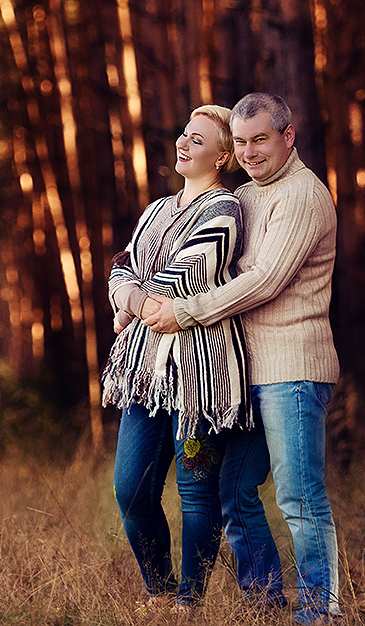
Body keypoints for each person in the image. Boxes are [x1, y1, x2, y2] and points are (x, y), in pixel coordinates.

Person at [143, 92, 342, 623]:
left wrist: (186, 312)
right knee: (233, 491)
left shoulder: (301, 194)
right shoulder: (248, 196)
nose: (251, 152)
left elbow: (267, 280)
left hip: (293, 370)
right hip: (248, 374)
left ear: (288, 135)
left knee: (299, 500)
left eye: (261, 139)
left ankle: (320, 613)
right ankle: (265, 603)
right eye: (241, 143)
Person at [101, 104, 251, 611]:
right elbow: (120, 267)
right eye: (184, 134)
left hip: (200, 378)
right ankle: (159, 594)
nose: (183, 144)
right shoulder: (158, 209)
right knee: (131, 491)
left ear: (223, 156)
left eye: (199, 140)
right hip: (143, 372)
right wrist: (135, 297)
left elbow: (190, 276)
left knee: (196, 489)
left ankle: (189, 605)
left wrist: (131, 298)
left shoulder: (226, 210)